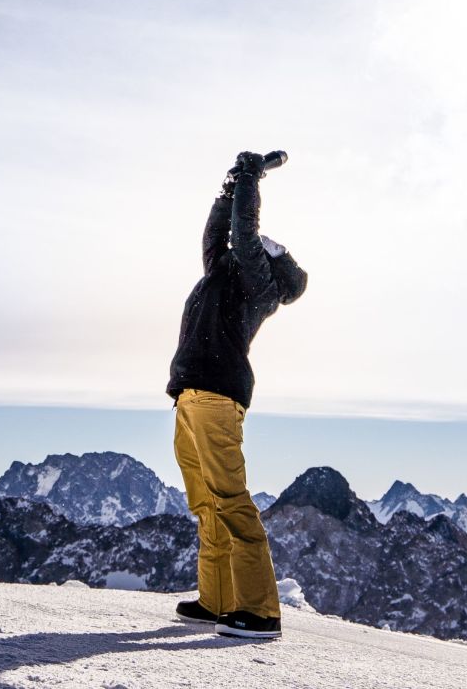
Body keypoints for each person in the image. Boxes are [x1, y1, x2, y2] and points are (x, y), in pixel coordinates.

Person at [167, 150, 308, 639]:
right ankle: (218, 601)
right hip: (190, 396)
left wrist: (251, 177)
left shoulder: (258, 286)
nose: (252, 245)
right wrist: (228, 188)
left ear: (271, 266)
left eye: (266, 247)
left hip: (215, 395)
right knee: (206, 503)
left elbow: (244, 234)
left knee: (230, 499)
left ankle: (260, 610)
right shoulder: (221, 274)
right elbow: (216, 235)